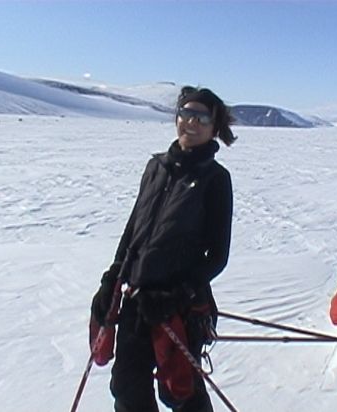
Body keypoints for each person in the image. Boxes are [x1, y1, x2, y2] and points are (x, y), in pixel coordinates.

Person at [91, 86, 236, 412]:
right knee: (127, 389)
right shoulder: (155, 167)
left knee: (181, 390)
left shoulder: (215, 179)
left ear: (215, 127)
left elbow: (217, 255)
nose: (191, 122)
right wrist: (110, 281)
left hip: (180, 308)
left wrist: (179, 294)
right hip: (137, 299)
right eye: (186, 113)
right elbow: (133, 232)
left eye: (201, 117)